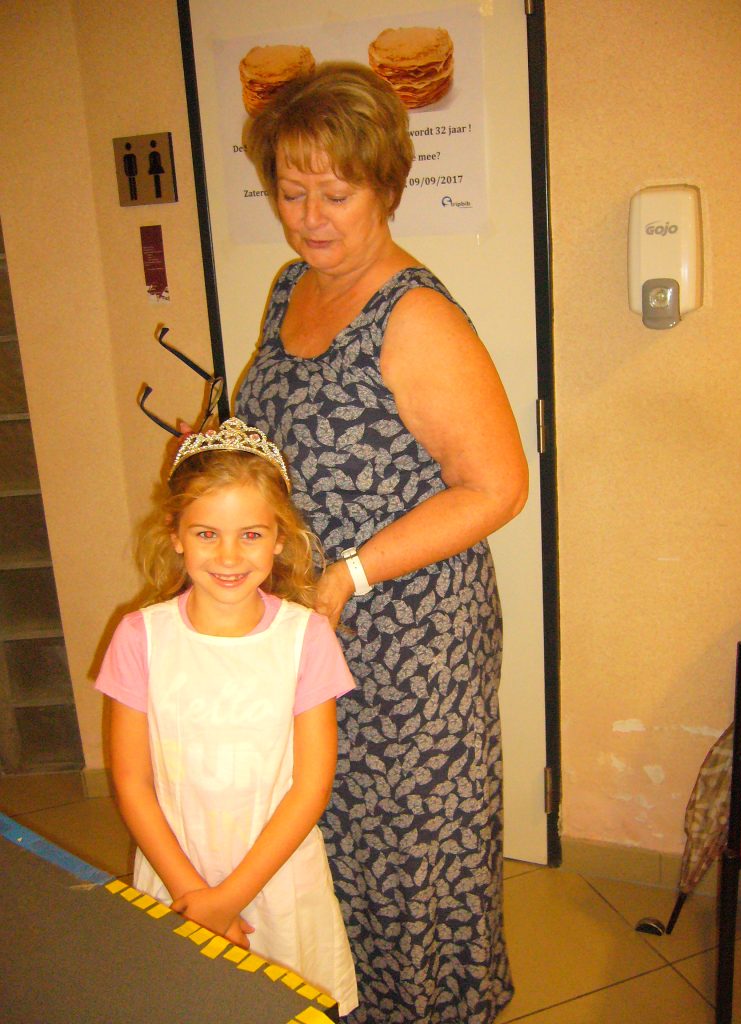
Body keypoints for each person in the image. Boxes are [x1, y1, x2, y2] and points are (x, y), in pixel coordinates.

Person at [236, 62, 529, 1024]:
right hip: (311, 624)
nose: (310, 217)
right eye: (291, 192)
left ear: (386, 186)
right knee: (329, 841)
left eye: (336, 192)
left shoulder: (415, 316)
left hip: (410, 644)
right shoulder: (292, 289)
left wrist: (349, 575)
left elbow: (498, 486)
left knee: (416, 862)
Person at [95, 417, 358, 1016]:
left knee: (284, 1005)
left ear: (280, 538)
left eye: (251, 534)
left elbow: (311, 787)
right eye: (207, 534)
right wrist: (195, 896)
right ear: (176, 535)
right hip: (176, 870)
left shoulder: (306, 638)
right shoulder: (140, 638)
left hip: (276, 877)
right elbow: (132, 781)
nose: (230, 555)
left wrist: (227, 900)